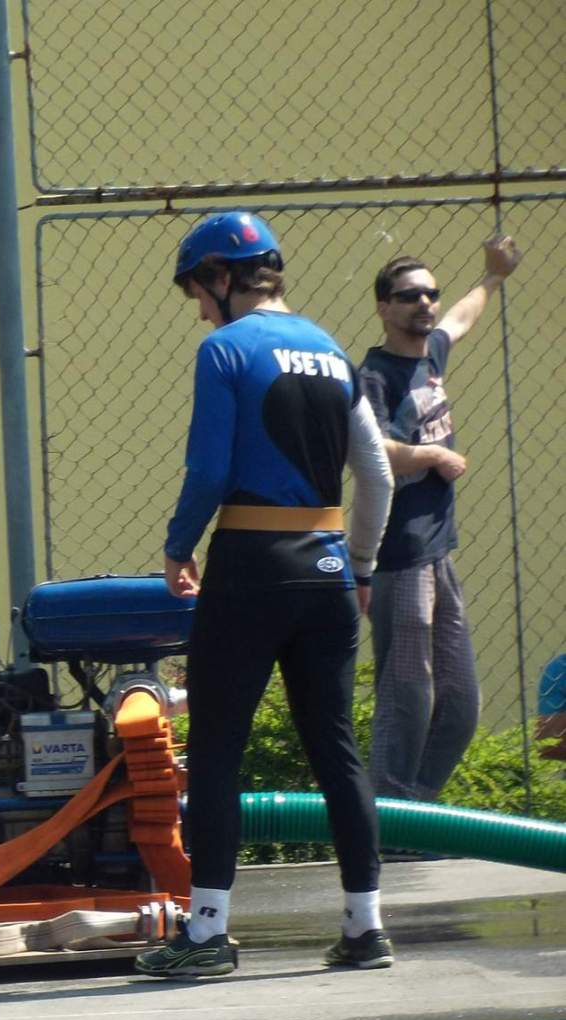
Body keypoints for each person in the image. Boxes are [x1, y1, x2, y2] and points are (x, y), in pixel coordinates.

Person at [137, 211, 394, 979]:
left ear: (220, 276)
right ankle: (365, 927)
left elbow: (209, 471)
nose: (200, 309)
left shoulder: (224, 350)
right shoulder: (333, 351)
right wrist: (359, 568)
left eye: (198, 291)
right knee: (337, 751)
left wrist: (178, 546)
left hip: (250, 566)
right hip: (327, 570)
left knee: (218, 749)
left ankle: (208, 933)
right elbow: (377, 475)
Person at [358, 235, 522, 802]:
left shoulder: (430, 355)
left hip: (437, 553)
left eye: (430, 293)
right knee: (407, 696)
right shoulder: (374, 375)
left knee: (459, 704)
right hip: (400, 557)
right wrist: (431, 455)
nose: (425, 304)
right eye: (409, 296)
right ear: (384, 308)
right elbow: (371, 450)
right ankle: (388, 821)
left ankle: (417, 812)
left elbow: (460, 319)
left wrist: (493, 277)